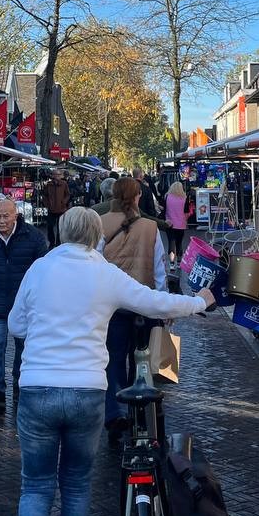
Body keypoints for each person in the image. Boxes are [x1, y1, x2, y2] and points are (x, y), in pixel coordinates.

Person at [8, 206, 212, 516]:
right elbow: (154, 301)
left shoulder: (39, 269)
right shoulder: (104, 274)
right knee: (75, 486)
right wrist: (200, 301)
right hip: (87, 391)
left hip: (38, 388)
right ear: (94, 236)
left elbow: (15, 324)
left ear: (62, 232)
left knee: (35, 486)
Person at [97, 177, 170, 438]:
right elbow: (160, 270)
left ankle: (115, 411)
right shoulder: (151, 228)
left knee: (114, 360)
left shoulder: (101, 225)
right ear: (138, 196)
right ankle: (142, 410)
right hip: (145, 304)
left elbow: (94, 266)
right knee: (144, 362)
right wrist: (163, 305)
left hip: (114, 307)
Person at [0, 199, 48, 415]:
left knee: (23, 349)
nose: (1, 221)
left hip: (24, 307)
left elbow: (43, 269)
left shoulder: (33, 237)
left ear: (16, 216)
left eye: (6, 216)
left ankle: (19, 386)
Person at [42, 171, 71, 248]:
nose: (57, 176)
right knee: (50, 226)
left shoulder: (64, 184)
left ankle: (58, 242)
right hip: (51, 209)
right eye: (55, 174)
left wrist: (63, 202)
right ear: (53, 175)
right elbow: (44, 195)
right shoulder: (48, 185)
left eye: (58, 175)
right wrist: (47, 204)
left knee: (60, 227)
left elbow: (68, 194)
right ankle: (51, 242)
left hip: (61, 209)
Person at [164, 181, 189, 263]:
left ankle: (171, 263)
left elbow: (164, 209)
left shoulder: (167, 196)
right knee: (179, 243)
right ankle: (179, 261)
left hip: (169, 223)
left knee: (171, 242)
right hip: (181, 225)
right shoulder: (185, 198)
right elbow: (186, 211)